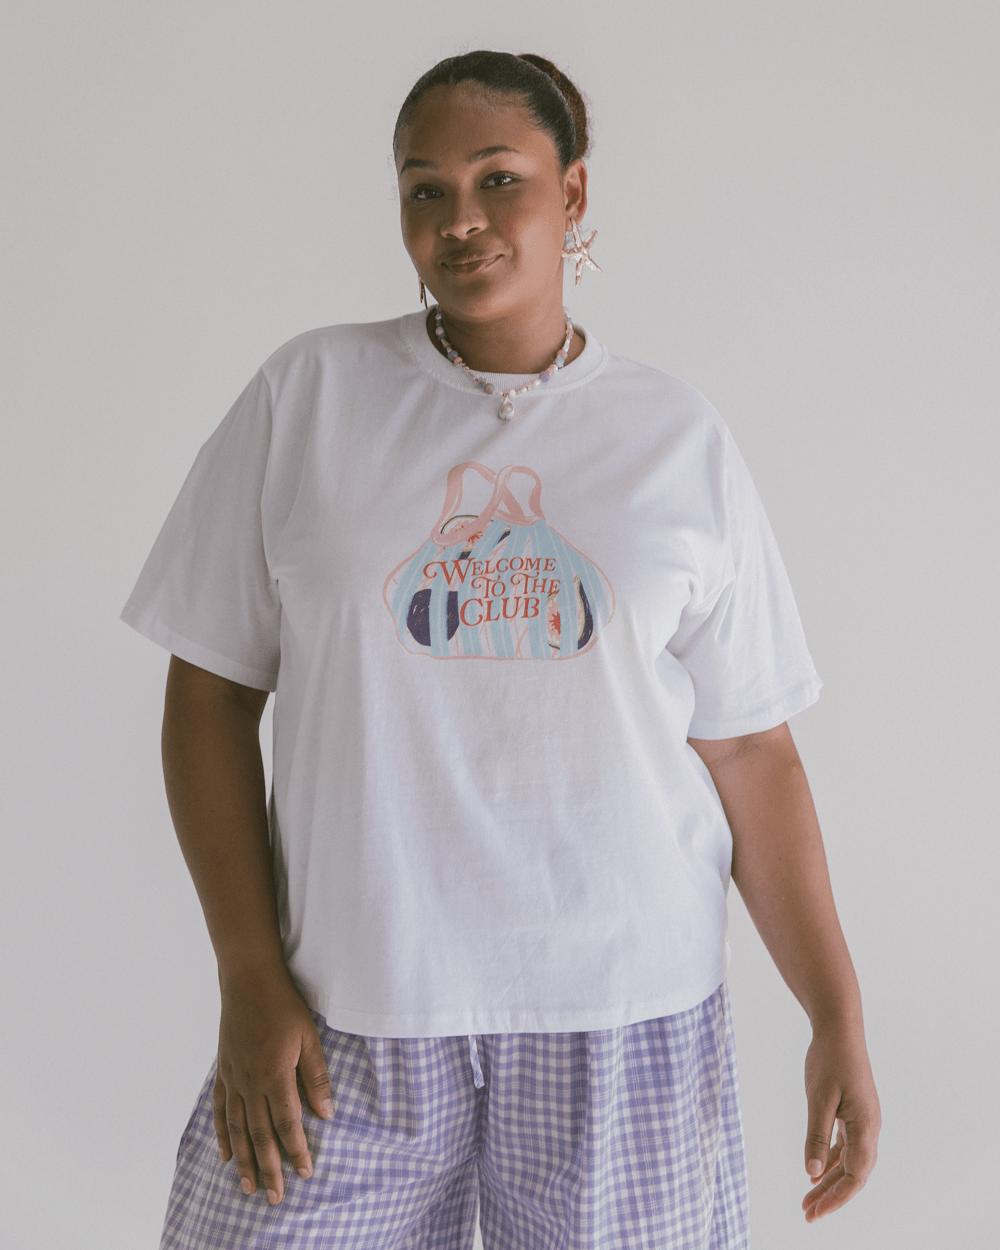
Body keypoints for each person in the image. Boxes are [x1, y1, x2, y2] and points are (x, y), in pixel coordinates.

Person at [122, 50, 880, 1250]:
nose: (459, 217)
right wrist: (247, 971)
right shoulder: (309, 396)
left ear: (571, 193)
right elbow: (208, 695)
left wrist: (835, 1012)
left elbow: (749, 750)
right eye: (423, 188)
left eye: (498, 179)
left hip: (625, 1017)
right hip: (348, 1011)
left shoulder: (674, 436)